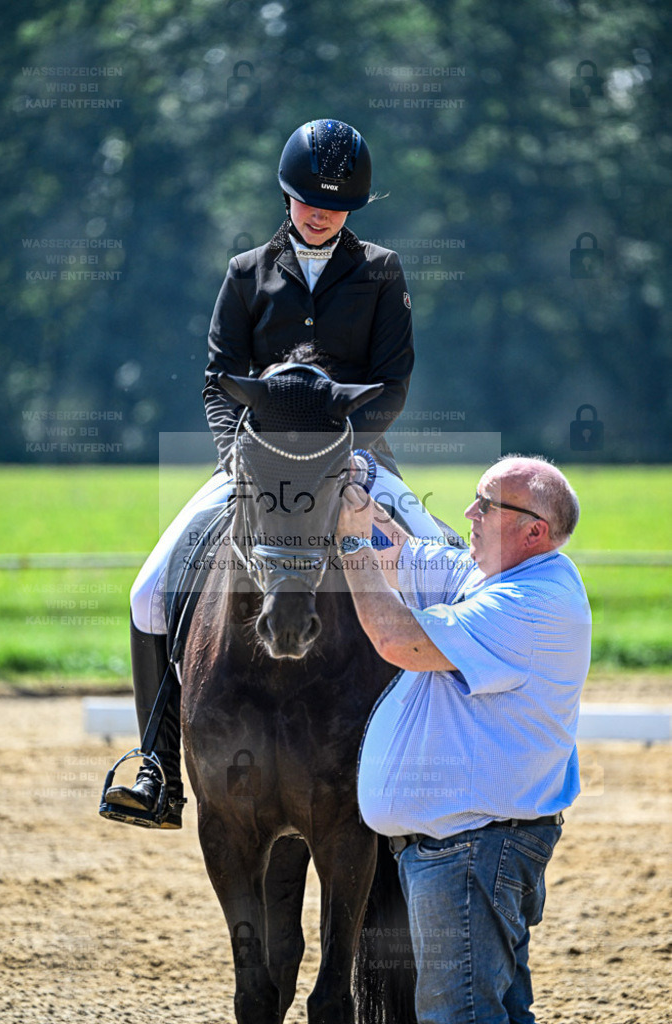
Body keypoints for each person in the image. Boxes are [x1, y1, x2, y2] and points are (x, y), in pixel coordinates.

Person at [102, 118, 451, 830]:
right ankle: (158, 769)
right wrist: (237, 455)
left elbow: (390, 384)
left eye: (335, 205)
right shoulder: (245, 273)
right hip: (256, 462)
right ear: (287, 195)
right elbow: (218, 382)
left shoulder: (381, 271)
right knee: (148, 592)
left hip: (354, 459)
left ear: (353, 207)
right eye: (308, 200)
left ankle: (444, 757)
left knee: (444, 565)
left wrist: (342, 452)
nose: (319, 214)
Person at [336, 455, 592, 1024]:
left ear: (534, 532)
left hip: (472, 849)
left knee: (461, 1015)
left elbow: (398, 640)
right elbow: (402, 555)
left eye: (488, 505)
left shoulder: (528, 605)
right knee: (494, 1010)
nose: (469, 512)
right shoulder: (496, 574)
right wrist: (355, 497)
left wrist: (351, 547)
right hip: (472, 847)